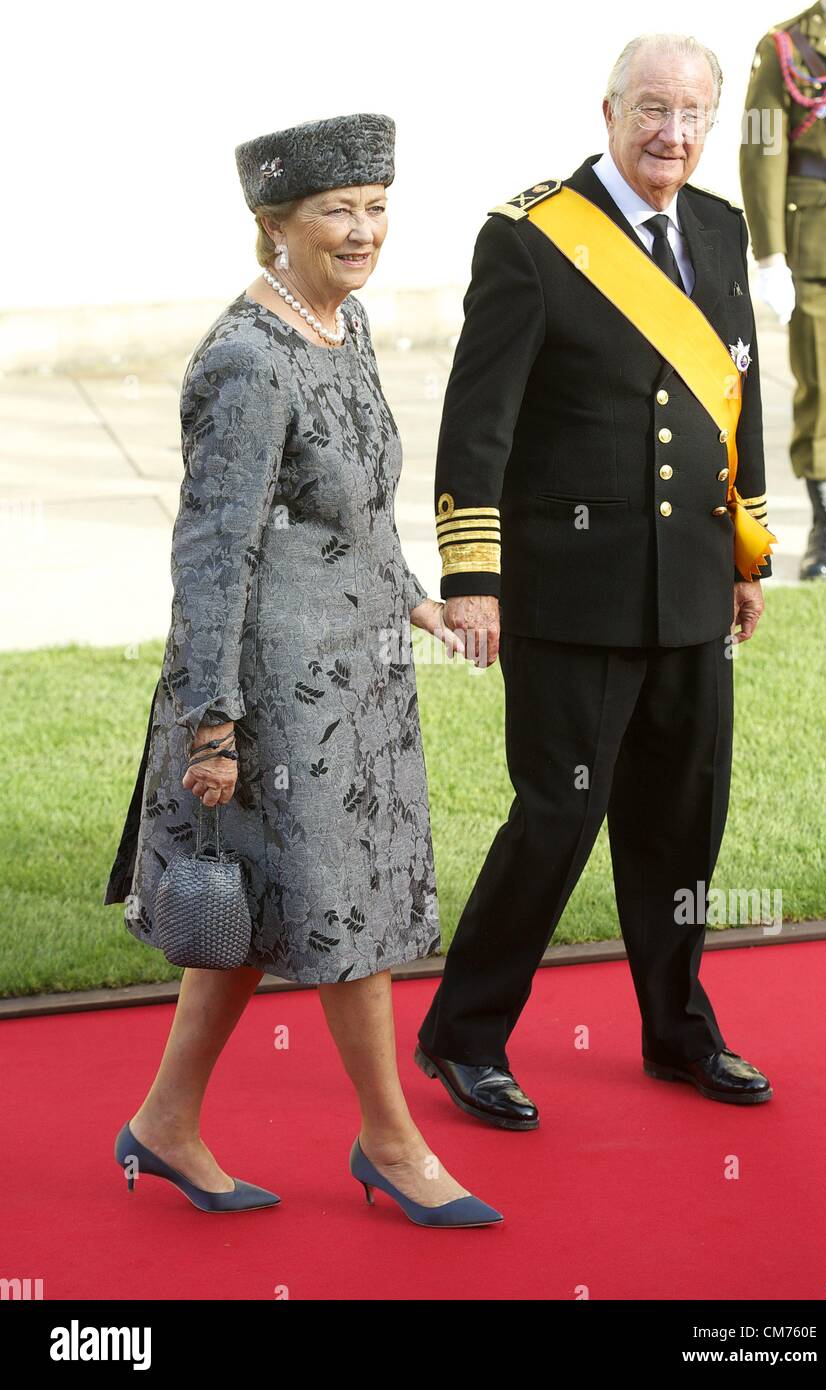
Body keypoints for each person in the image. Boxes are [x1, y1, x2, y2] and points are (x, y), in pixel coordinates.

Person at [104, 112, 501, 1228]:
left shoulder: (346, 323)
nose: (364, 229)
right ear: (275, 225)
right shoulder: (245, 360)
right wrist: (211, 723)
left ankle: (165, 1123)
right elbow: (212, 551)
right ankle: (391, 1141)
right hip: (275, 696)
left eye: (377, 206)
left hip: (359, 678)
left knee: (262, 910)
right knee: (343, 916)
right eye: (337, 211)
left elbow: (359, 501)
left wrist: (414, 594)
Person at [415, 34, 776, 1131]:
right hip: (572, 596)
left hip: (689, 592)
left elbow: (736, 393)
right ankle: (464, 1035)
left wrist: (748, 552)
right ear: (610, 108)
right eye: (653, 109)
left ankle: (678, 1030)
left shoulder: (716, 225)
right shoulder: (530, 241)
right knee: (556, 819)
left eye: (694, 115)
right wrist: (474, 573)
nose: (673, 133)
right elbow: (477, 425)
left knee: (682, 823)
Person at [741, 0, 826, 578]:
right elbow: (763, 146)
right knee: (822, 381)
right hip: (815, 235)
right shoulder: (784, 45)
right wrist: (770, 254)